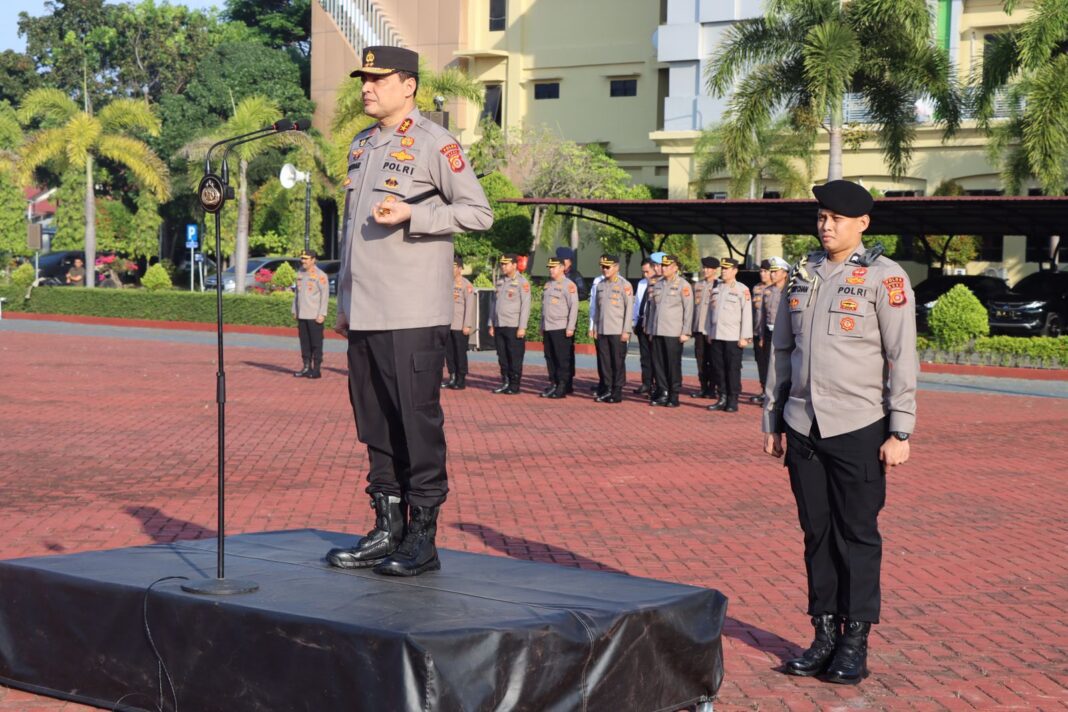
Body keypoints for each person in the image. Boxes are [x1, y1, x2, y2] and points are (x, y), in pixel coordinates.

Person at [325, 46, 493, 577]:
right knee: (373, 420)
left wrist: (414, 213)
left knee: (416, 423)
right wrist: (345, 302)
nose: (366, 87)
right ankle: (387, 526)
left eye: (377, 78)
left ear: (409, 85)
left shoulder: (434, 144)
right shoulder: (361, 146)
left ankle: (422, 537)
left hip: (413, 310)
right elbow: (353, 234)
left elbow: (479, 212)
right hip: (366, 311)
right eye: (363, 79)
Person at [763, 179, 916, 685]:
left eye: (837, 219)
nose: (826, 226)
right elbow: (782, 353)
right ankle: (824, 632)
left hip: (859, 427)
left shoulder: (885, 278)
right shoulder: (802, 277)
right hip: (803, 426)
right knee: (817, 534)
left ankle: (856, 641)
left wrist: (901, 430)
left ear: (863, 224)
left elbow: (901, 357)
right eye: (822, 217)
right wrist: (773, 419)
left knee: (858, 536)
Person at [706, 257, 753, 413]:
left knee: (732, 369)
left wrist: (745, 336)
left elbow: (747, 314)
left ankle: (733, 399)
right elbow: (710, 313)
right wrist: (709, 332)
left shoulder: (742, 289)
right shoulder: (716, 288)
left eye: (727, 269)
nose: (724, 271)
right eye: (723, 269)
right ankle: (722, 397)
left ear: (735, 270)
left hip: (733, 337)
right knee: (718, 369)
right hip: (717, 335)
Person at [648, 254, 693, 407]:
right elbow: (652, 309)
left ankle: (674, 394)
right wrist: (650, 330)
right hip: (658, 331)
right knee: (658, 364)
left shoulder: (683, 285)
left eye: (667, 266)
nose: (664, 268)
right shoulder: (658, 284)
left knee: (673, 365)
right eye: (663, 265)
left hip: (673, 332)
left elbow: (688, 310)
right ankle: (663, 391)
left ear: (675, 268)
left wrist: (686, 331)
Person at [590, 254, 634, 403]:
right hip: (602, 330)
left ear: (616, 267)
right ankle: (607, 389)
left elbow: (629, 310)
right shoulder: (600, 285)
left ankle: (617, 391)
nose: (604, 269)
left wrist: (626, 330)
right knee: (605, 362)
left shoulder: (625, 285)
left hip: (617, 330)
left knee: (617, 362)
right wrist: (595, 327)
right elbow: (596, 309)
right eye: (602, 266)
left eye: (607, 267)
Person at [490, 253, 531, 394]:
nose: (503, 266)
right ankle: (505, 382)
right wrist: (491, 323)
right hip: (500, 325)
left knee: (514, 356)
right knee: (502, 356)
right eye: (502, 264)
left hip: (513, 325)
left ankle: (514, 385)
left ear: (514, 265)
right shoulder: (500, 281)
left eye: (506, 264)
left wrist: (522, 327)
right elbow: (493, 304)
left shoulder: (522, 282)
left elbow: (525, 306)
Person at [539, 255, 578, 398]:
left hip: (561, 327)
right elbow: (544, 308)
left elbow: (574, 307)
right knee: (550, 357)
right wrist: (541, 325)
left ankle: (563, 386)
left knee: (562, 358)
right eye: (549, 267)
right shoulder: (548, 284)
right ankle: (553, 383)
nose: (551, 270)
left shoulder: (569, 285)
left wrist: (570, 327)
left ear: (562, 268)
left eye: (553, 267)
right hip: (548, 327)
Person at [751, 257, 789, 403]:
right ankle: (767, 393)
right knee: (766, 363)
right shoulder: (767, 290)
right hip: (767, 331)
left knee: (780, 364)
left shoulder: (788, 290)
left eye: (775, 271)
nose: (772, 274)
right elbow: (762, 316)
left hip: (782, 332)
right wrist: (760, 336)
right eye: (771, 271)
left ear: (784, 273)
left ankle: (780, 394)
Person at [292, 250, 330, 379]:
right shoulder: (300, 273)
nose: (303, 261)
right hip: (302, 314)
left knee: (316, 343)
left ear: (313, 260)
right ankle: (306, 367)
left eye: (306, 259)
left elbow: (325, 296)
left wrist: (322, 314)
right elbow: (296, 295)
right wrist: (294, 310)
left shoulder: (321, 275)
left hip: (314, 315)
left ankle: (317, 369)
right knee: (304, 343)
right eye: (302, 258)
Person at [443, 255, 476, 390]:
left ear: (460, 268)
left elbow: (469, 307)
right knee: (449, 353)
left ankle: (461, 379)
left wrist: (467, 324)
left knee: (460, 353)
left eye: (454, 266)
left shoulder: (466, 285)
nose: (451, 268)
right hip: (448, 324)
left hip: (460, 325)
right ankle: (452, 376)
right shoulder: (446, 283)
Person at [556, 247, 585, 391]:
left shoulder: (574, 275)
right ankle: (557, 380)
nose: (561, 263)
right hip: (555, 320)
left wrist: (568, 298)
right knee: (555, 352)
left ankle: (568, 381)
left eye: (564, 260)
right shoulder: (554, 276)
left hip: (568, 318)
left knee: (567, 352)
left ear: (570, 261)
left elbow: (583, 293)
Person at [690, 256, 719, 399]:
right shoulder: (698, 285)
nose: (705, 270)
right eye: (704, 268)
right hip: (699, 328)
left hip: (712, 330)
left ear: (715, 270)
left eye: (708, 268)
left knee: (713, 360)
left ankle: (712, 389)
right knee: (700, 360)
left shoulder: (718, 285)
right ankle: (703, 387)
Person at [643, 252, 667, 401]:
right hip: (653, 327)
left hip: (668, 329)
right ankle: (659, 388)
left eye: (659, 265)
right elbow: (650, 307)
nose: (657, 268)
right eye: (655, 265)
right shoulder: (653, 282)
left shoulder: (671, 283)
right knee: (655, 361)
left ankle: (666, 390)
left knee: (666, 362)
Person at [632, 259, 656, 395]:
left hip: (653, 324)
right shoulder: (641, 284)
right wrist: (635, 322)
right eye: (643, 272)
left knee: (655, 357)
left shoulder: (659, 284)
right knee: (644, 356)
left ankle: (656, 385)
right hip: (641, 322)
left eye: (648, 271)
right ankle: (646, 383)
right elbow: (637, 304)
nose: (646, 275)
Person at [750, 260, 772, 401]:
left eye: (766, 271)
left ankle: (770, 392)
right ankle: (763, 389)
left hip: (770, 333)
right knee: (761, 362)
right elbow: (752, 312)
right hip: (757, 331)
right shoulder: (756, 288)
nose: (762, 274)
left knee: (771, 363)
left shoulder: (776, 288)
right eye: (761, 271)